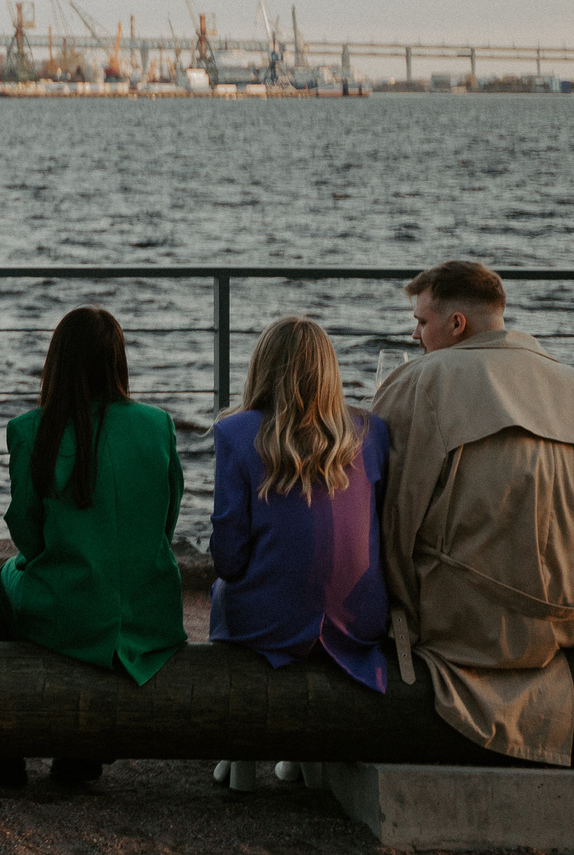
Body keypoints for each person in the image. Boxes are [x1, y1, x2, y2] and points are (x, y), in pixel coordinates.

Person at [373, 260, 574, 769]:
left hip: (493, 624)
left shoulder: (423, 381)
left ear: (456, 325)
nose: (415, 333)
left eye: (422, 322)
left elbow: (390, 520)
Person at [0, 305, 185, 789]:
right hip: (150, 611)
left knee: (3, 588)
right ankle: (79, 754)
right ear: (119, 361)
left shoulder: (31, 429)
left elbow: (28, 537)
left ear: (57, 361)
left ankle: (2, 746)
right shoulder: (159, 425)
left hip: (71, 610)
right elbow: (167, 521)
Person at [207, 317, 392, 793]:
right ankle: (299, 757)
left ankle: (241, 756)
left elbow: (228, 558)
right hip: (357, 619)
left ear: (262, 369)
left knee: (223, 591)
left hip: (271, 621)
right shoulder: (372, 432)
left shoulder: (235, 433)